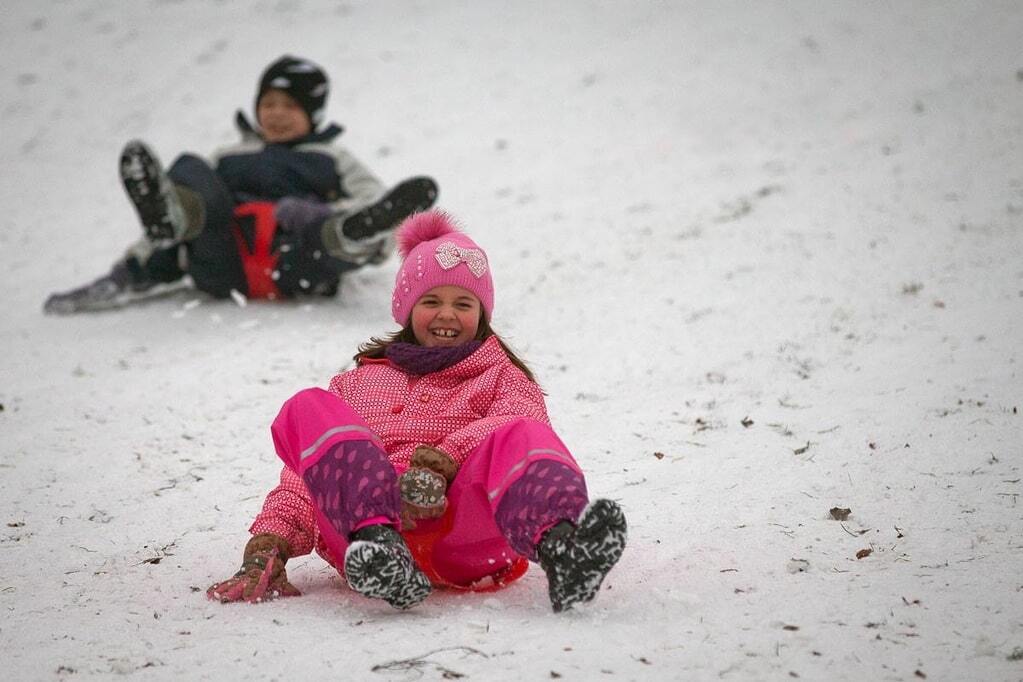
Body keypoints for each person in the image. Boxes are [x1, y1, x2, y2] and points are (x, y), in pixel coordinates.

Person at [206, 210, 627, 612]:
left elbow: (523, 424)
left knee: (524, 433)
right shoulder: (356, 384)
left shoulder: (500, 377)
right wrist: (269, 544)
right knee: (307, 407)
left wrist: (443, 463)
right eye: (432, 301)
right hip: (359, 542)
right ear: (407, 309)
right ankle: (381, 547)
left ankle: (564, 549)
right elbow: (308, 475)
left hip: (462, 534)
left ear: (481, 315)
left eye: (464, 303)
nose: (447, 314)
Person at [44, 55, 437, 314]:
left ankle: (348, 234)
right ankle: (173, 219)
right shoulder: (229, 157)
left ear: (313, 113)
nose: (277, 114)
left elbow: (376, 204)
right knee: (192, 172)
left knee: (335, 234)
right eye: (269, 104)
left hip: (297, 263)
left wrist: (318, 213)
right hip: (223, 261)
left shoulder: (332, 157)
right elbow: (181, 222)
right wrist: (124, 274)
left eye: (290, 106)